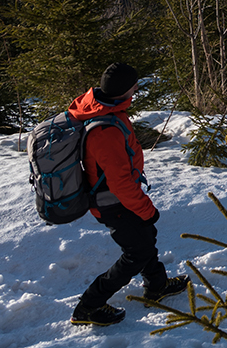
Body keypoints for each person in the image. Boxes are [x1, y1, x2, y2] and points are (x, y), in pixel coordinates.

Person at [68, 63, 188, 326]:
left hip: (118, 199)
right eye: (134, 84)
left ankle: (157, 286)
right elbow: (120, 182)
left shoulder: (108, 109)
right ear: (123, 90)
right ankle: (88, 306)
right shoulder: (105, 130)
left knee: (145, 239)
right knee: (136, 253)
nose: (137, 88)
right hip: (113, 202)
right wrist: (147, 210)